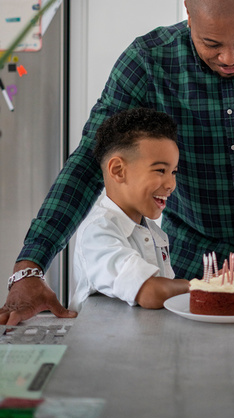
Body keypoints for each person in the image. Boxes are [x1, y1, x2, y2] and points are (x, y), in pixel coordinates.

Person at [0, 0, 234, 325]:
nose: (229, 57)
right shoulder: (148, 62)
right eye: (212, 43)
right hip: (189, 257)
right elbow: (89, 160)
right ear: (189, 15)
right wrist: (29, 267)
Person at [69, 108, 189, 312]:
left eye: (173, 172)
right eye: (160, 170)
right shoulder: (98, 231)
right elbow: (152, 293)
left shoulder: (154, 232)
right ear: (118, 170)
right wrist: (206, 287)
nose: (171, 184)